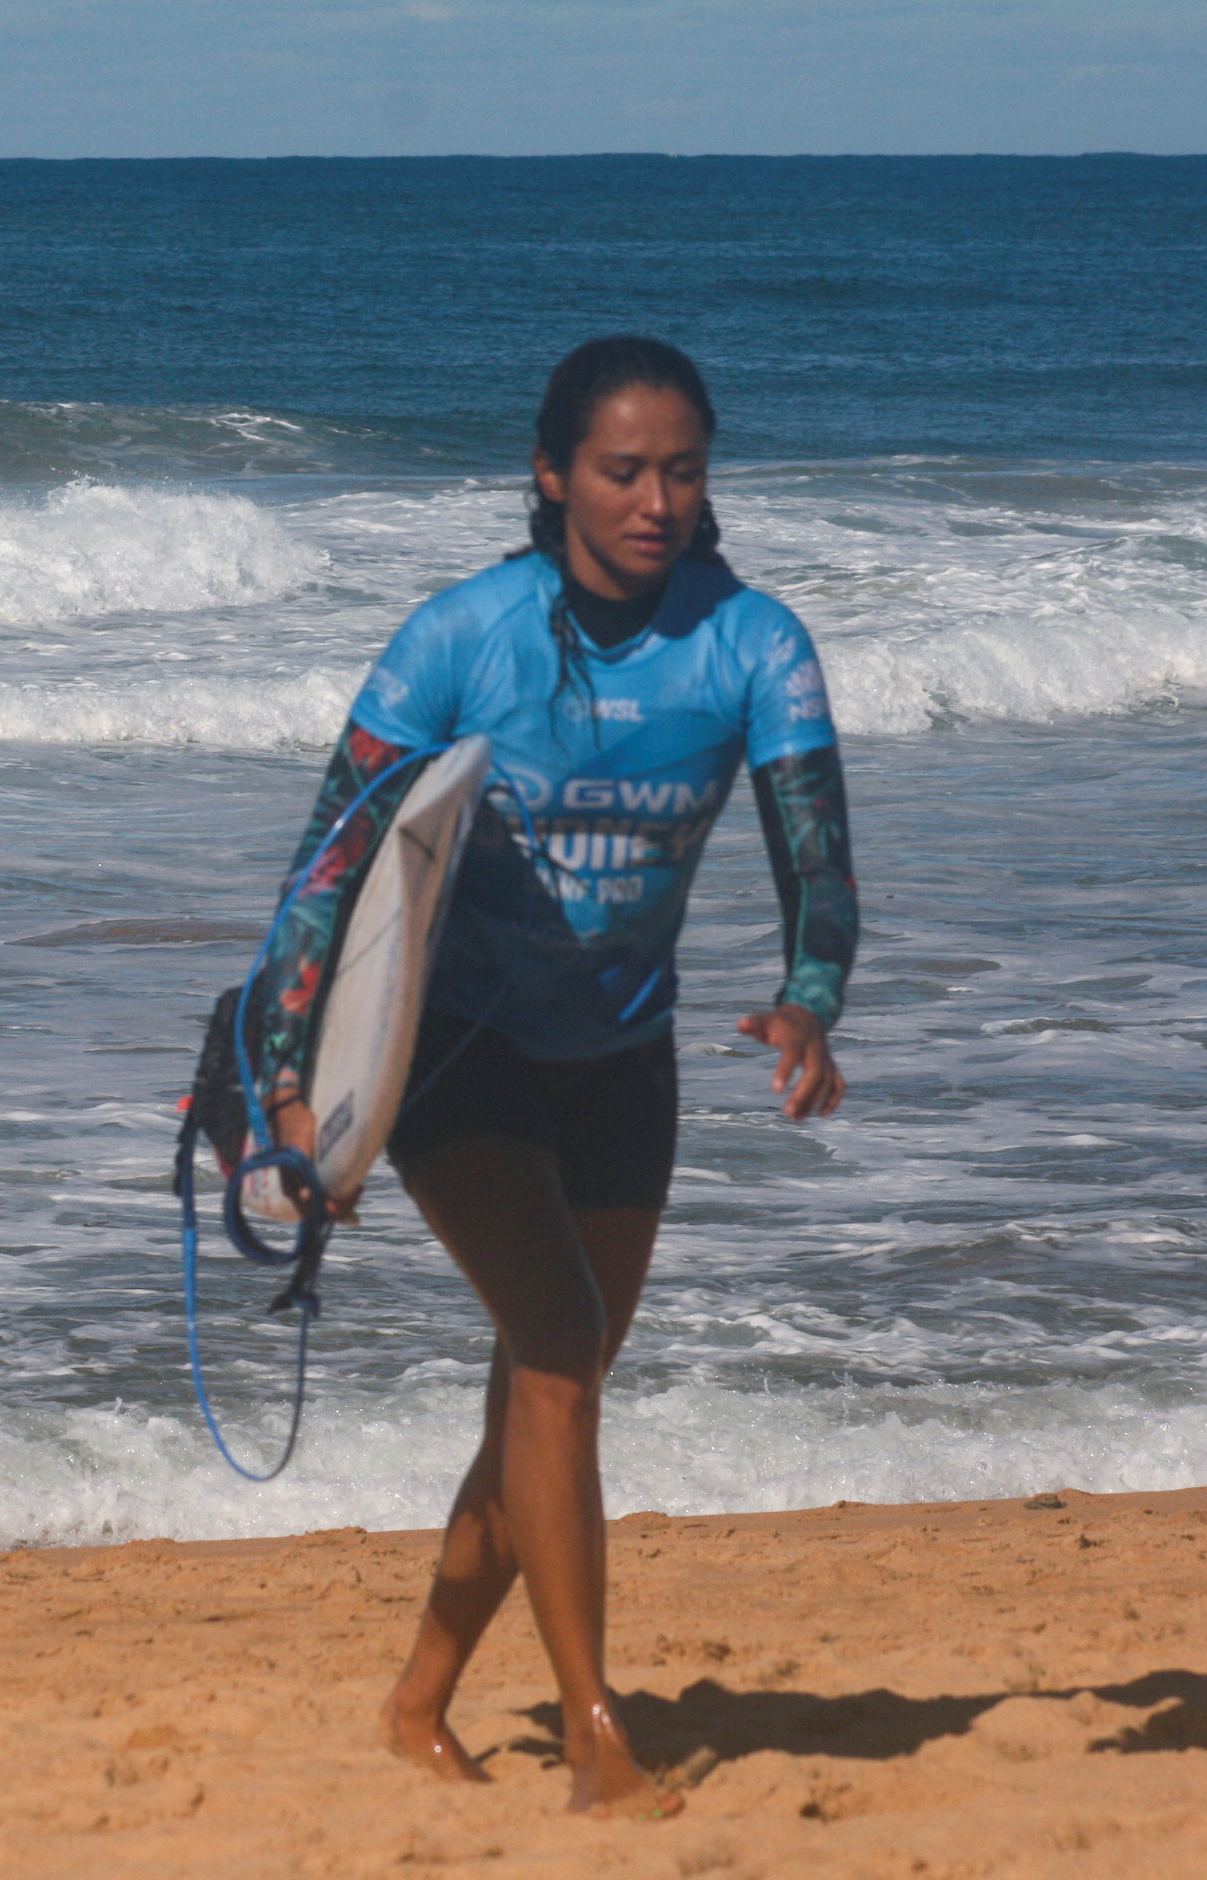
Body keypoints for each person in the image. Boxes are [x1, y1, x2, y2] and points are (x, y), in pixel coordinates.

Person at [259, 335, 857, 1817]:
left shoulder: (752, 643)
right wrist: (289, 1076)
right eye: (624, 470)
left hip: (620, 1058)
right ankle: (595, 1730)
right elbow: (329, 872)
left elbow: (818, 853)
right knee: (558, 1343)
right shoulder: (461, 638)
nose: (658, 499)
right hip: (453, 1053)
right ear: (552, 476)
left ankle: (416, 1699)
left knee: (554, 1387)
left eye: (684, 471)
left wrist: (809, 998)